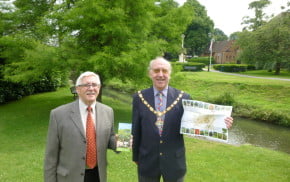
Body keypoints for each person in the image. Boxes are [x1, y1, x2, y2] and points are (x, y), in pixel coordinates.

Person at [131, 57, 233, 182]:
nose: (161, 75)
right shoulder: (139, 97)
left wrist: (221, 123)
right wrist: (135, 156)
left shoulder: (183, 97)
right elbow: (136, 129)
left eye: (165, 71)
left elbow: (198, 122)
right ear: (150, 73)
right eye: (156, 70)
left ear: (170, 74)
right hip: (147, 161)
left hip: (174, 163)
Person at [44, 71, 116, 182]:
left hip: (98, 175)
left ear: (99, 88)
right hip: (69, 177)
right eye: (86, 85)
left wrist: (125, 142)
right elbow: (51, 156)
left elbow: (109, 138)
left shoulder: (108, 111)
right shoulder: (58, 114)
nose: (91, 88)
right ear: (77, 89)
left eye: (94, 85)